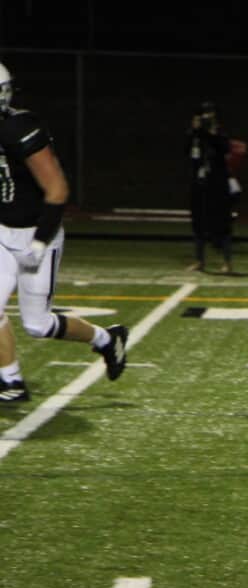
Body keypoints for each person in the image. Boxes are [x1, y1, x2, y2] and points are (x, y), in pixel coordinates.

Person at [0, 61, 128, 402]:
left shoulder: (18, 129)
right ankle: (11, 381)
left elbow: (56, 189)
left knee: (37, 325)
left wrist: (41, 243)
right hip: (1, 230)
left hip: (35, 232)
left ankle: (104, 339)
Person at [186, 100, 235, 273]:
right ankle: (200, 261)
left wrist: (211, 132)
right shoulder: (196, 136)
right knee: (198, 222)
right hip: (199, 184)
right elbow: (187, 152)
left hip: (217, 184)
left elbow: (224, 149)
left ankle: (227, 262)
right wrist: (195, 131)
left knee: (222, 223)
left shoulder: (219, 134)